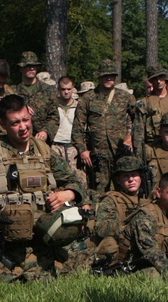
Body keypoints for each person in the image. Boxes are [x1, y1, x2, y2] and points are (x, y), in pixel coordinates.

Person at [0, 94, 88, 282]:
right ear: (3, 124)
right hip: (5, 242)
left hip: (41, 240)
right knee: (1, 282)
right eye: (15, 123)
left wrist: (67, 194)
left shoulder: (44, 151)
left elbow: (77, 184)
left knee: (49, 279)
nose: (23, 127)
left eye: (26, 120)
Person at [73, 59, 134, 197]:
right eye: (105, 75)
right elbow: (77, 127)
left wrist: (130, 137)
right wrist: (82, 150)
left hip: (120, 151)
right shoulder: (88, 98)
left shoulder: (125, 97)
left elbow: (139, 121)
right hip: (97, 155)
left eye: (111, 75)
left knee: (123, 190)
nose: (108, 78)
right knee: (97, 191)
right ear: (99, 77)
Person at [50, 76, 85, 187]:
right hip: (55, 145)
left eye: (69, 89)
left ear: (73, 89)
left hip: (73, 146)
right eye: (63, 89)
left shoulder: (79, 106)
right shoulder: (52, 106)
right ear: (58, 89)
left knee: (78, 179)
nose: (66, 92)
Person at [15, 52, 58, 142]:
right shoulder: (13, 92)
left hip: (42, 142)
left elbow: (54, 117)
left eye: (34, 66)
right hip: (19, 140)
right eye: (27, 66)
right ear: (20, 68)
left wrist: (46, 132)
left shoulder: (48, 90)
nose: (31, 68)